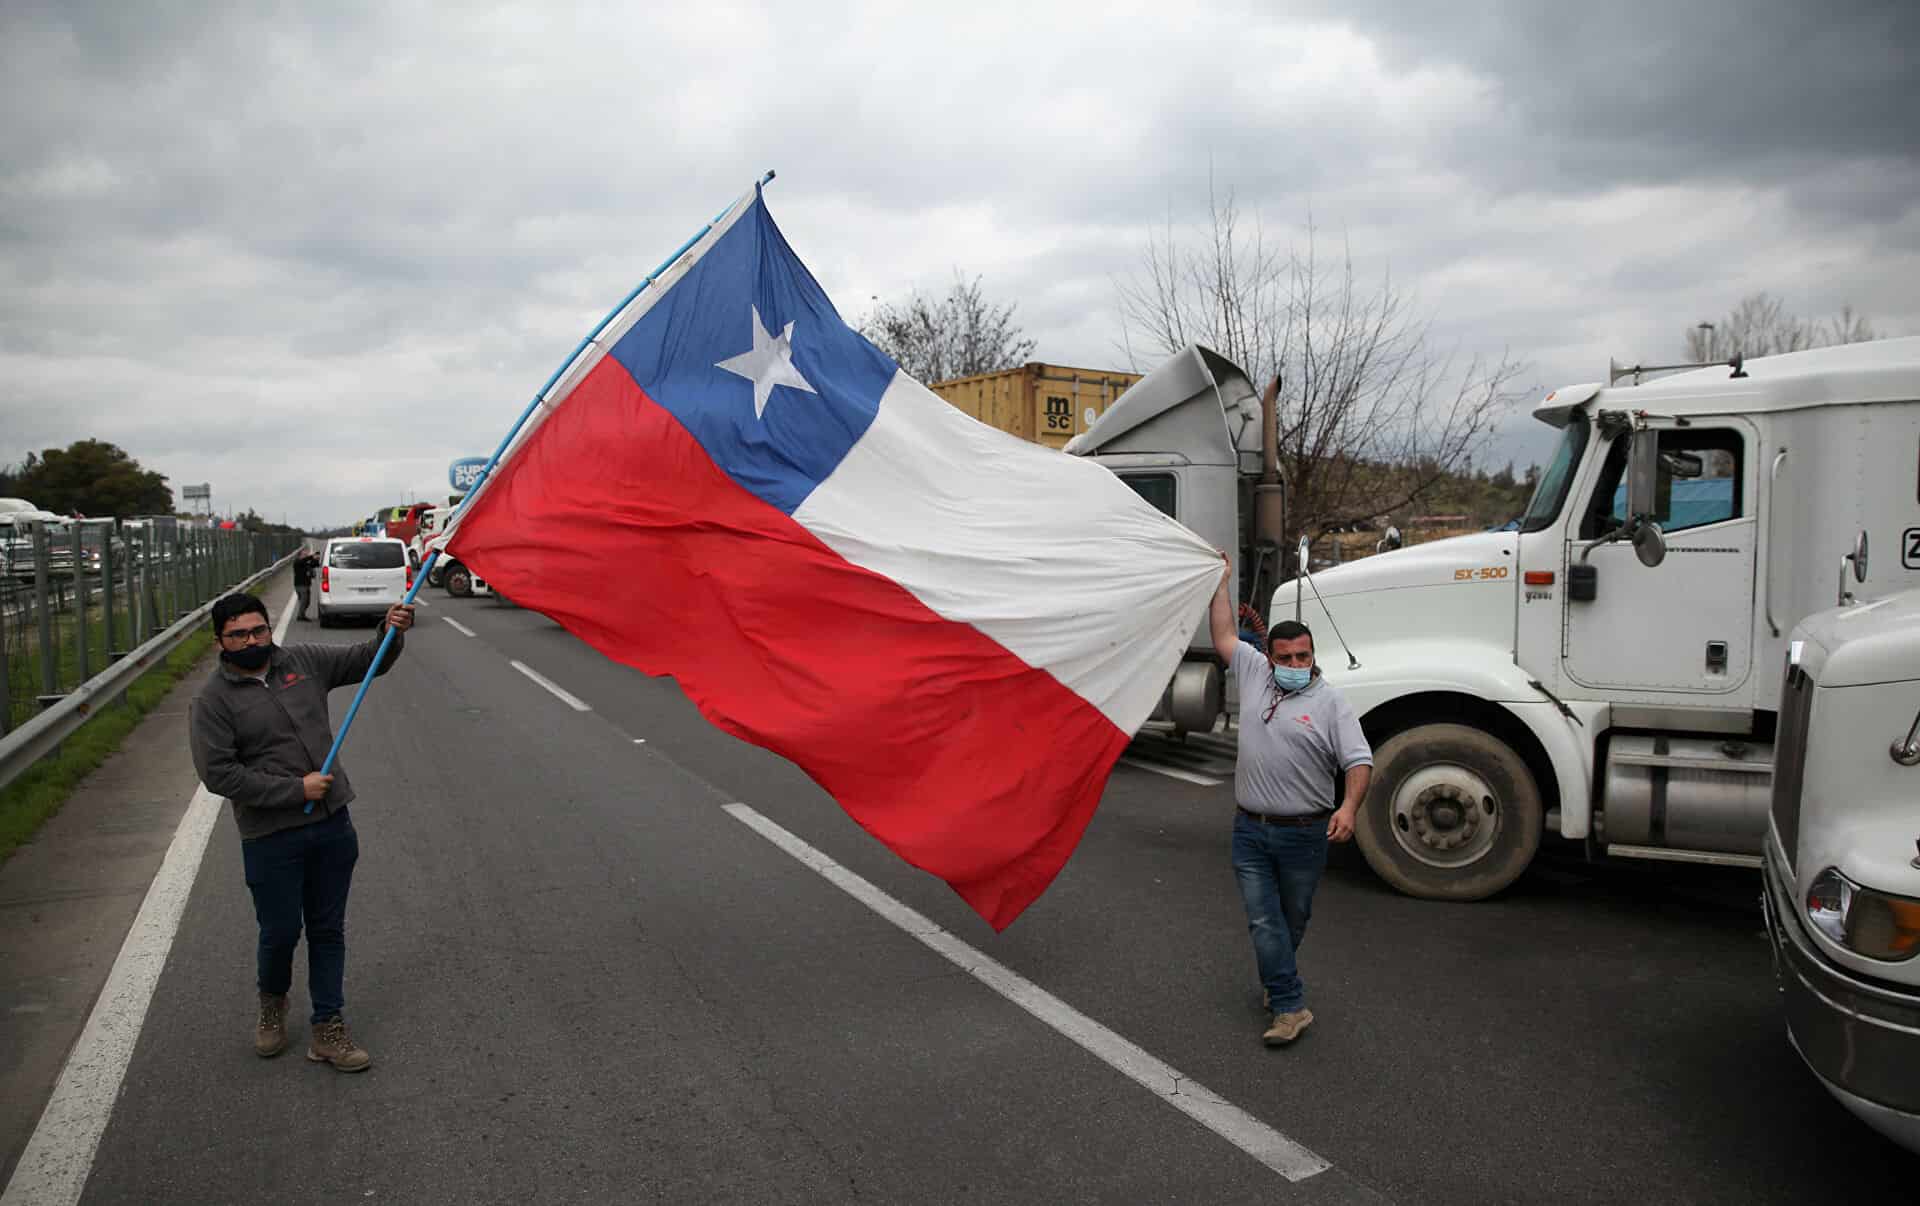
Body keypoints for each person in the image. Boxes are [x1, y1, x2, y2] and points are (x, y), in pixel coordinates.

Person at [189, 591, 413, 1071]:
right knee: (280, 932)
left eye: (258, 630)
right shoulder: (212, 701)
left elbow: (366, 661)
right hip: (270, 837)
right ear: (220, 642)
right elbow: (219, 775)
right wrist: (296, 789)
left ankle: (327, 1026)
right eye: (238, 635)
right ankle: (272, 1002)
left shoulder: (303, 661)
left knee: (327, 929)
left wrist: (389, 632)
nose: (252, 640)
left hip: (332, 825)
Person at [1209, 555, 1372, 1046]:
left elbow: (1359, 761)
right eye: (1286, 658)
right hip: (1250, 830)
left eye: (1304, 657)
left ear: (1313, 655)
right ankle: (1289, 1005)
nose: (1296, 666)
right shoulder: (1253, 672)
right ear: (1270, 657)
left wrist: (1349, 808)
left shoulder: (1331, 703)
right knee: (1264, 920)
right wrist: (1220, 582)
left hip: (1305, 834)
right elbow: (1223, 634)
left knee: (1290, 919)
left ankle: (1277, 977)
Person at [292, 546, 320, 621]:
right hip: (300, 585)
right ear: (299, 555)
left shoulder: (305, 563)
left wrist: (316, 558)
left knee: (307, 602)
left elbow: (315, 565)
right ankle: (300, 616)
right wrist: (311, 556)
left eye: (306, 554)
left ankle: (302, 615)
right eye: (304, 554)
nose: (306, 555)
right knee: (304, 601)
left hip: (306, 585)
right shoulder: (297, 562)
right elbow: (303, 561)